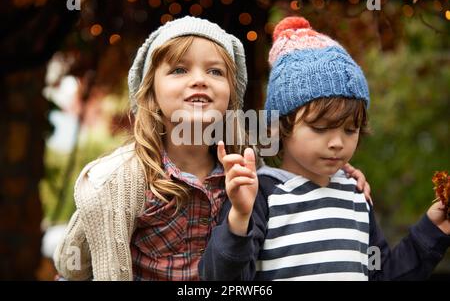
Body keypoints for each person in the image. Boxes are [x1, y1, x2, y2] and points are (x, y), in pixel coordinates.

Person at [53, 15, 369, 281]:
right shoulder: (122, 181)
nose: (200, 80)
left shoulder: (244, 164)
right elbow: (75, 265)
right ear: (150, 93)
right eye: (179, 69)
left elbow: (293, 174)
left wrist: (340, 173)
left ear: (231, 96)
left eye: (215, 71)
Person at [198, 16, 450, 281]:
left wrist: (433, 229)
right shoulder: (259, 195)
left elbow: (383, 275)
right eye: (320, 128)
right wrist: (239, 217)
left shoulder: (355, 195)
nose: (337, 142)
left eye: (350, 130)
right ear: (277, 127)